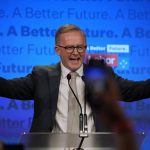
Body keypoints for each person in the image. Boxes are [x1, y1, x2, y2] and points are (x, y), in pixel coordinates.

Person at [0, 24, 150, 133]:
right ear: (57, 50)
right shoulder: (41, 75)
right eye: (69, 47)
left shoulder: (101, 74)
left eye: (80, 47)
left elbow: (134, 91)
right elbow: (7, 87)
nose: (76, 52)